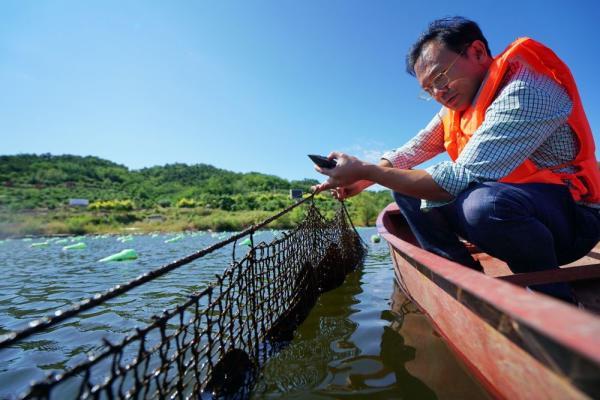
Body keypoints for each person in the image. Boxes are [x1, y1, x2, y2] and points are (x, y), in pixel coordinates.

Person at [312, 17, 600, 303]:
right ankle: (464, 282)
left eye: (441, 77)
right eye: (429, 90)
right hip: (523, 210)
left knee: (486, 206)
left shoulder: (527, 90)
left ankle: (553, 298)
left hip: (575, 221)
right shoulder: (459, 105)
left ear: (477, 52)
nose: (439, 93)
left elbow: (453, 180)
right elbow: (413, 150)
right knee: (406, 189)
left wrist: (367, 171)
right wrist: (363, 178)